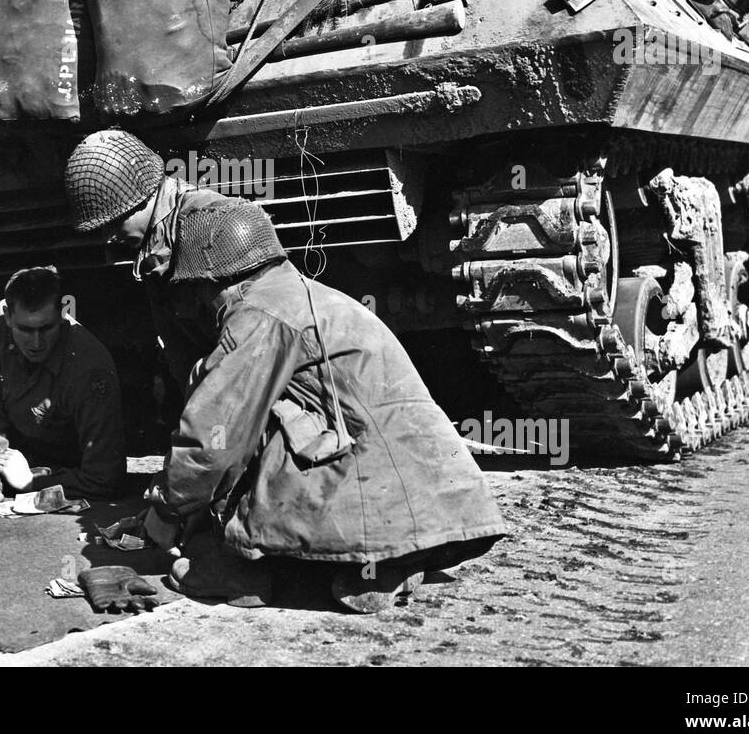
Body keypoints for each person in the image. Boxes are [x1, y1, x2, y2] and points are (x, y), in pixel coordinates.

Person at [127, 197, 508, 613]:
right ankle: (386, 559)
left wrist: (168, 507)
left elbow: (214, 437)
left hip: (381, 479)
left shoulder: (255, 314)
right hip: (442, 502)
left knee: (250, 421)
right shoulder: (297, 292)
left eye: (196, 289)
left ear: (211, 280)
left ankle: (241, 567)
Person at [64, 129, 227, 401]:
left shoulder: (204, 221)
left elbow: (249, 342)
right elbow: (181, 351)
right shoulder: (153, 244)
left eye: (115, 222)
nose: (109, 237)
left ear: (142, 196)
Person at [0, 266, 125, 509]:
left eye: (46, 328)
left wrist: (31, 483)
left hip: (50, 462)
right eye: (25, 329)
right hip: (7, 439)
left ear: (62, 314)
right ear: (7, 317)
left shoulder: (89, 366)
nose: (36, 343)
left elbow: (105, 476)